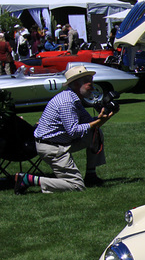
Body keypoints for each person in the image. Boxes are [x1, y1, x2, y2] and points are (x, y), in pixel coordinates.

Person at [15, 65, 115, 194]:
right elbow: (73, 131)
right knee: (76, 185)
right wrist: (97, 122)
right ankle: (28, 179)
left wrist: (105, 116)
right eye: (89, 82)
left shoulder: (74, 99)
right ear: (76, 84)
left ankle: (91, 176)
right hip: (52, 148)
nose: (92, 86)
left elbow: (89, 123)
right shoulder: (67, 102)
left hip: (60, 143)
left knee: (95, 133)